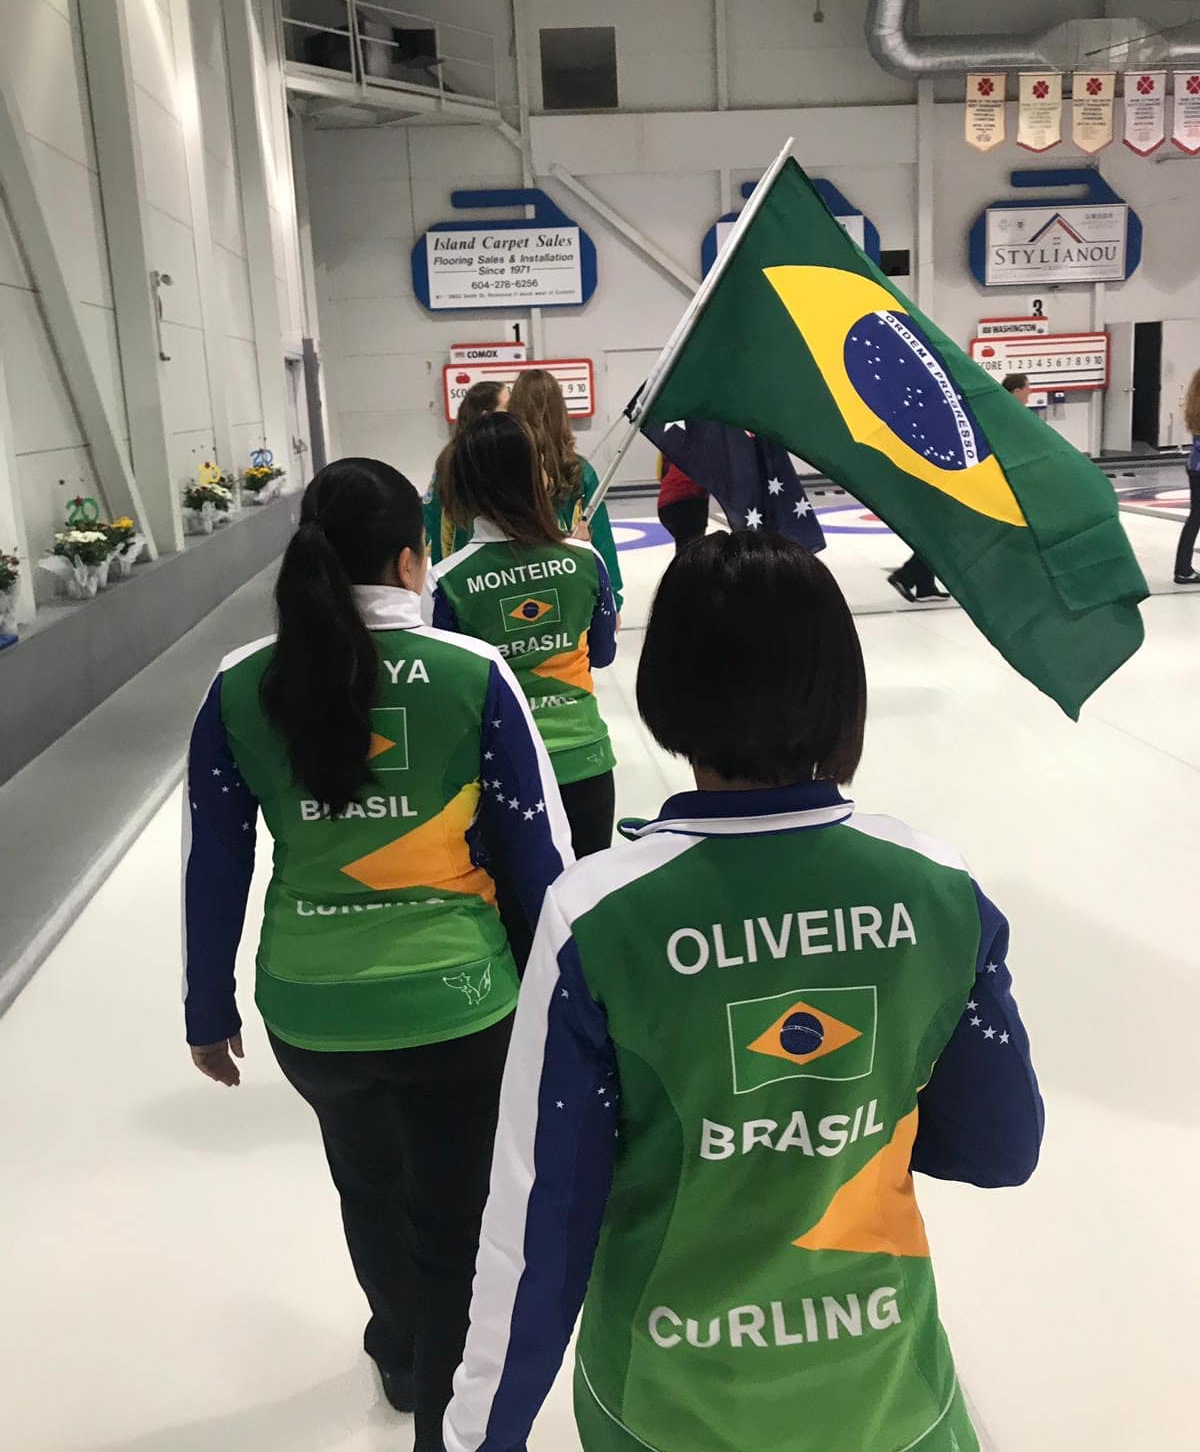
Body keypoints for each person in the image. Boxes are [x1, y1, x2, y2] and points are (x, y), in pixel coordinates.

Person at [444, 530, 1043, 1452]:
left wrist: (484, 1431)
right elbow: (1001, 1145)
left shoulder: (598, 919)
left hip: (666, 1403)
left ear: (665, 698)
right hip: (888, 1398)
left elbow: (541, 1215)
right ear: (845, 695)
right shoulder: (936, 891)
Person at [182, 457, 574, 1452]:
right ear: (412, 558)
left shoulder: (238, 687)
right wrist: (564, 1002)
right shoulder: (474, 676)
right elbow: (538, 855)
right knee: (457, 1215)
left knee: (365, 1178)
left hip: (311, 1011)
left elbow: (214, 862)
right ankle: (447, 1413)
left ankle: (398, 1351)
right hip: (460, 1004)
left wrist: (206, 1009)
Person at [432, 414, 618, 924]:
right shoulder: (586, 561)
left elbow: (447, 695)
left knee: (519, 927)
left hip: (500, 779)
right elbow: (603, 654)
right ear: (534, 476)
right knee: (584, 921)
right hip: (584, 766)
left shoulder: (445, 582)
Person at [888, 373, 1033, 604]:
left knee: (943, 532)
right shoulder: (1001, 413)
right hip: (970, 481)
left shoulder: (994, 409)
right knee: (947, 534)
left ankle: (924, 584)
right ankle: (905, 575)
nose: (1030, 392)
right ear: (1016, 391)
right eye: (1028, 388)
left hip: (964, 478)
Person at [508, 368, 624, 609]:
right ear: (560, 412)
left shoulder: (500, 472)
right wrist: (613, 598)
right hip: (573, 592)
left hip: (515, 594)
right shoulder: (580, 471)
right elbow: (601, 541)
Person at [425, 380, 510, 565]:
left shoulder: (450, 456)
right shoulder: (468, 462)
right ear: (487, 415)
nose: (513, 415)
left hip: (458, 567)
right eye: (507, 407)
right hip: (469, 567)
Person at [1174, 368, 1200, 586]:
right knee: (1196, 517)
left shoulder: (1195, 409)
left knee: (1195, 518)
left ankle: (1183, 567)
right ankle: (1182, 569)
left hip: (1194, 466)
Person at [657, 455, 709, 553]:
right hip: (689, 502)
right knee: (691, 551)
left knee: (686, 547)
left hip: (666, 503)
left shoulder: (679, 449)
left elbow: (660, 473)